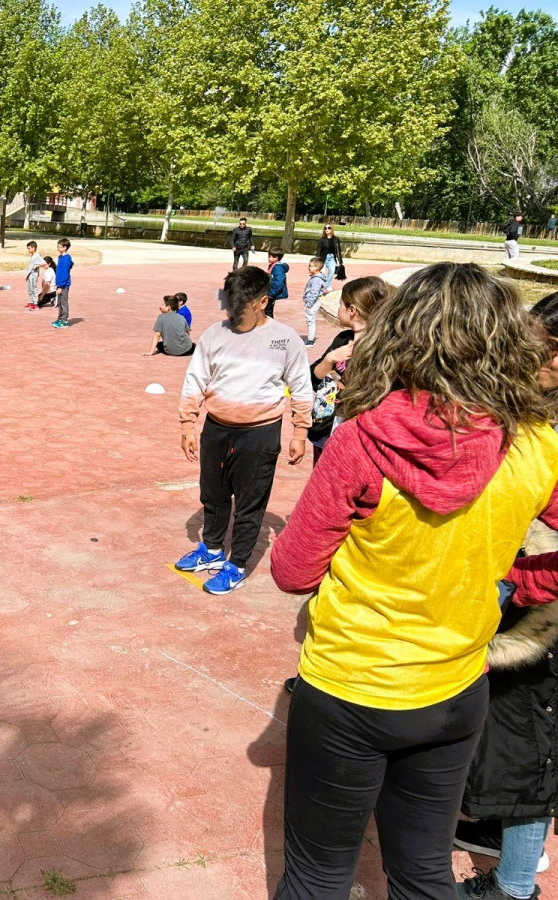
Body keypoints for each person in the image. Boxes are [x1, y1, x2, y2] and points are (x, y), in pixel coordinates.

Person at [269, 262, 558, 900]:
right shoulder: (536, 441)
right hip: (456, 688)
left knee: (317, 876)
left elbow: (292, 571)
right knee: (424, 871)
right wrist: (521, 578)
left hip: (352, 685)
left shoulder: (362, 439)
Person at [452, 290, 558, 900]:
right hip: (521, 587)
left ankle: (515, 886)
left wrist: (525, 582)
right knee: (508, 737)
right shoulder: (526, 409)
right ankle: (496, 828)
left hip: (540, 609)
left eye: (536, 348)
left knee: (528, 752)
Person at [174, 265, 311, 594]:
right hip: (217, 428)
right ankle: (212, 550)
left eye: (241, 307)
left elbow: (301, 387)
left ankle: (236, 565)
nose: (233, 313)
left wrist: (300, 433)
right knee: (213, 493)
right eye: (229, 305)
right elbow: (195, 380)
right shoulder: (214, 335)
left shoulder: (284, 339)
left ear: (262, 301)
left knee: (250, 502)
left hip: (260, 433)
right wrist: (188, 425)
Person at [302, 275, 393, 465]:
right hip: (325, 430)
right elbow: (313, 378)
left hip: (355, 439)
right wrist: (329, 359)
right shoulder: (343, 339)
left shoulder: (383, 349)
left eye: (341, 304)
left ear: (352, 311)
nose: (338, 308)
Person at [301, 257, 327, 347]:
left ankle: (310, 340)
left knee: (310, 320)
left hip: (313, 302)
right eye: (309, 265)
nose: (309, 268)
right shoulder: (315, 278)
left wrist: (309, 304)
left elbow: (314, 293)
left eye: (311, 266)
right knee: (309, 320)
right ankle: (310, 338)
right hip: (313, 302)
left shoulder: (316, 280)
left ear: (317, 268)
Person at [53, 238, 73, 328]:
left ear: (65, 247)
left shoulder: (66, 259)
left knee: (64, 302)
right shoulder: (60, 257)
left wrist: (60, 286)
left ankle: (64, 320)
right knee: (59, 302)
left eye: (59, 247)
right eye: (57, 246)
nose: (58, 248)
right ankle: (60, 318)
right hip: (59, 284)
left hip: (64, 285)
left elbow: (64, 273)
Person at [316, 224, 343, 290]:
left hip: (331, 257)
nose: (327, 229)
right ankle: (321, 286)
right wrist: (318, 260)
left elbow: (338, 250)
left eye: (329, 228)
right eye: (325, 228)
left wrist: (340, 261)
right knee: (323, 273)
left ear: (332, 229)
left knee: (332, 270)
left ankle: (327, 285)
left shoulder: (336, 239)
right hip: (323, 258)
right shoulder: (322, 239)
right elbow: (318, 250)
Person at [266, 247, 289, 318]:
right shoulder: (273, 266)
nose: (269, 258)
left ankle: (270, 327)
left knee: (268, 312)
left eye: (270, 256)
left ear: (276, 258)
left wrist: (271, 293)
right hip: (270, 291)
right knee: (266, 311)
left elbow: (279, 282)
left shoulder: (278, 268)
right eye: (269, 256)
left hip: (272, 293)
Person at [24, 240, 45, 310]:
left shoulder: (37, 255)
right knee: (30, 289)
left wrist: (37, 266)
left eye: (29, 248)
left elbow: (44, 263)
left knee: (33, 289)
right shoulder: (33, 255)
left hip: (33, 274)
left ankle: (35, 304)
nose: (28, 250)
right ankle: (31, 302)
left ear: (34, 248)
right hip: (29, 274)